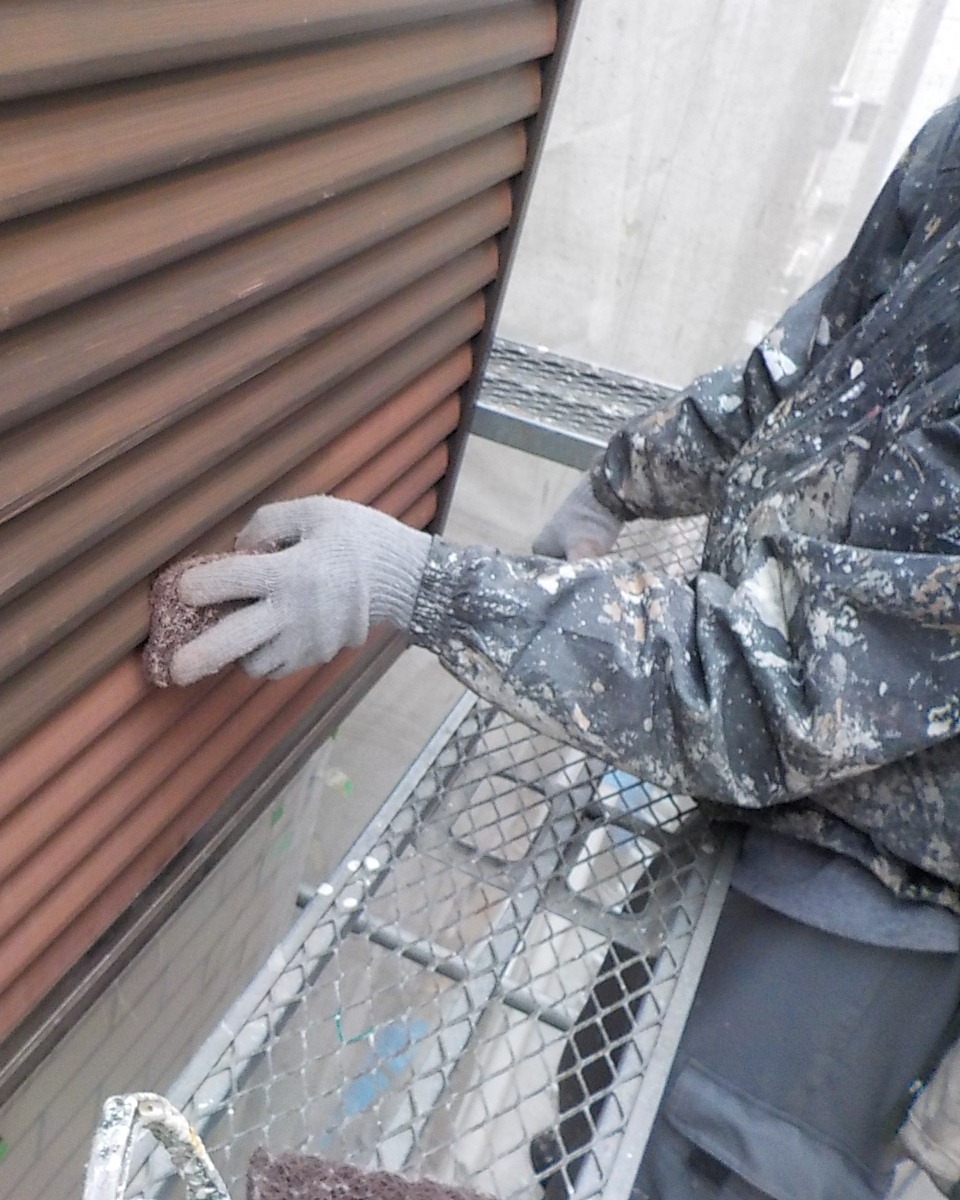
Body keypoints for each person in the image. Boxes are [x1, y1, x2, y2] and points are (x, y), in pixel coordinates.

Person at [170, 96, 960, 1200]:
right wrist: (616, 483)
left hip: (888, 885)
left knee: (705, 1157)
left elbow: (774, 689)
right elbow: (811, 380)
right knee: (599, 1124)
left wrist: (418, 584)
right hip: (747, 809)